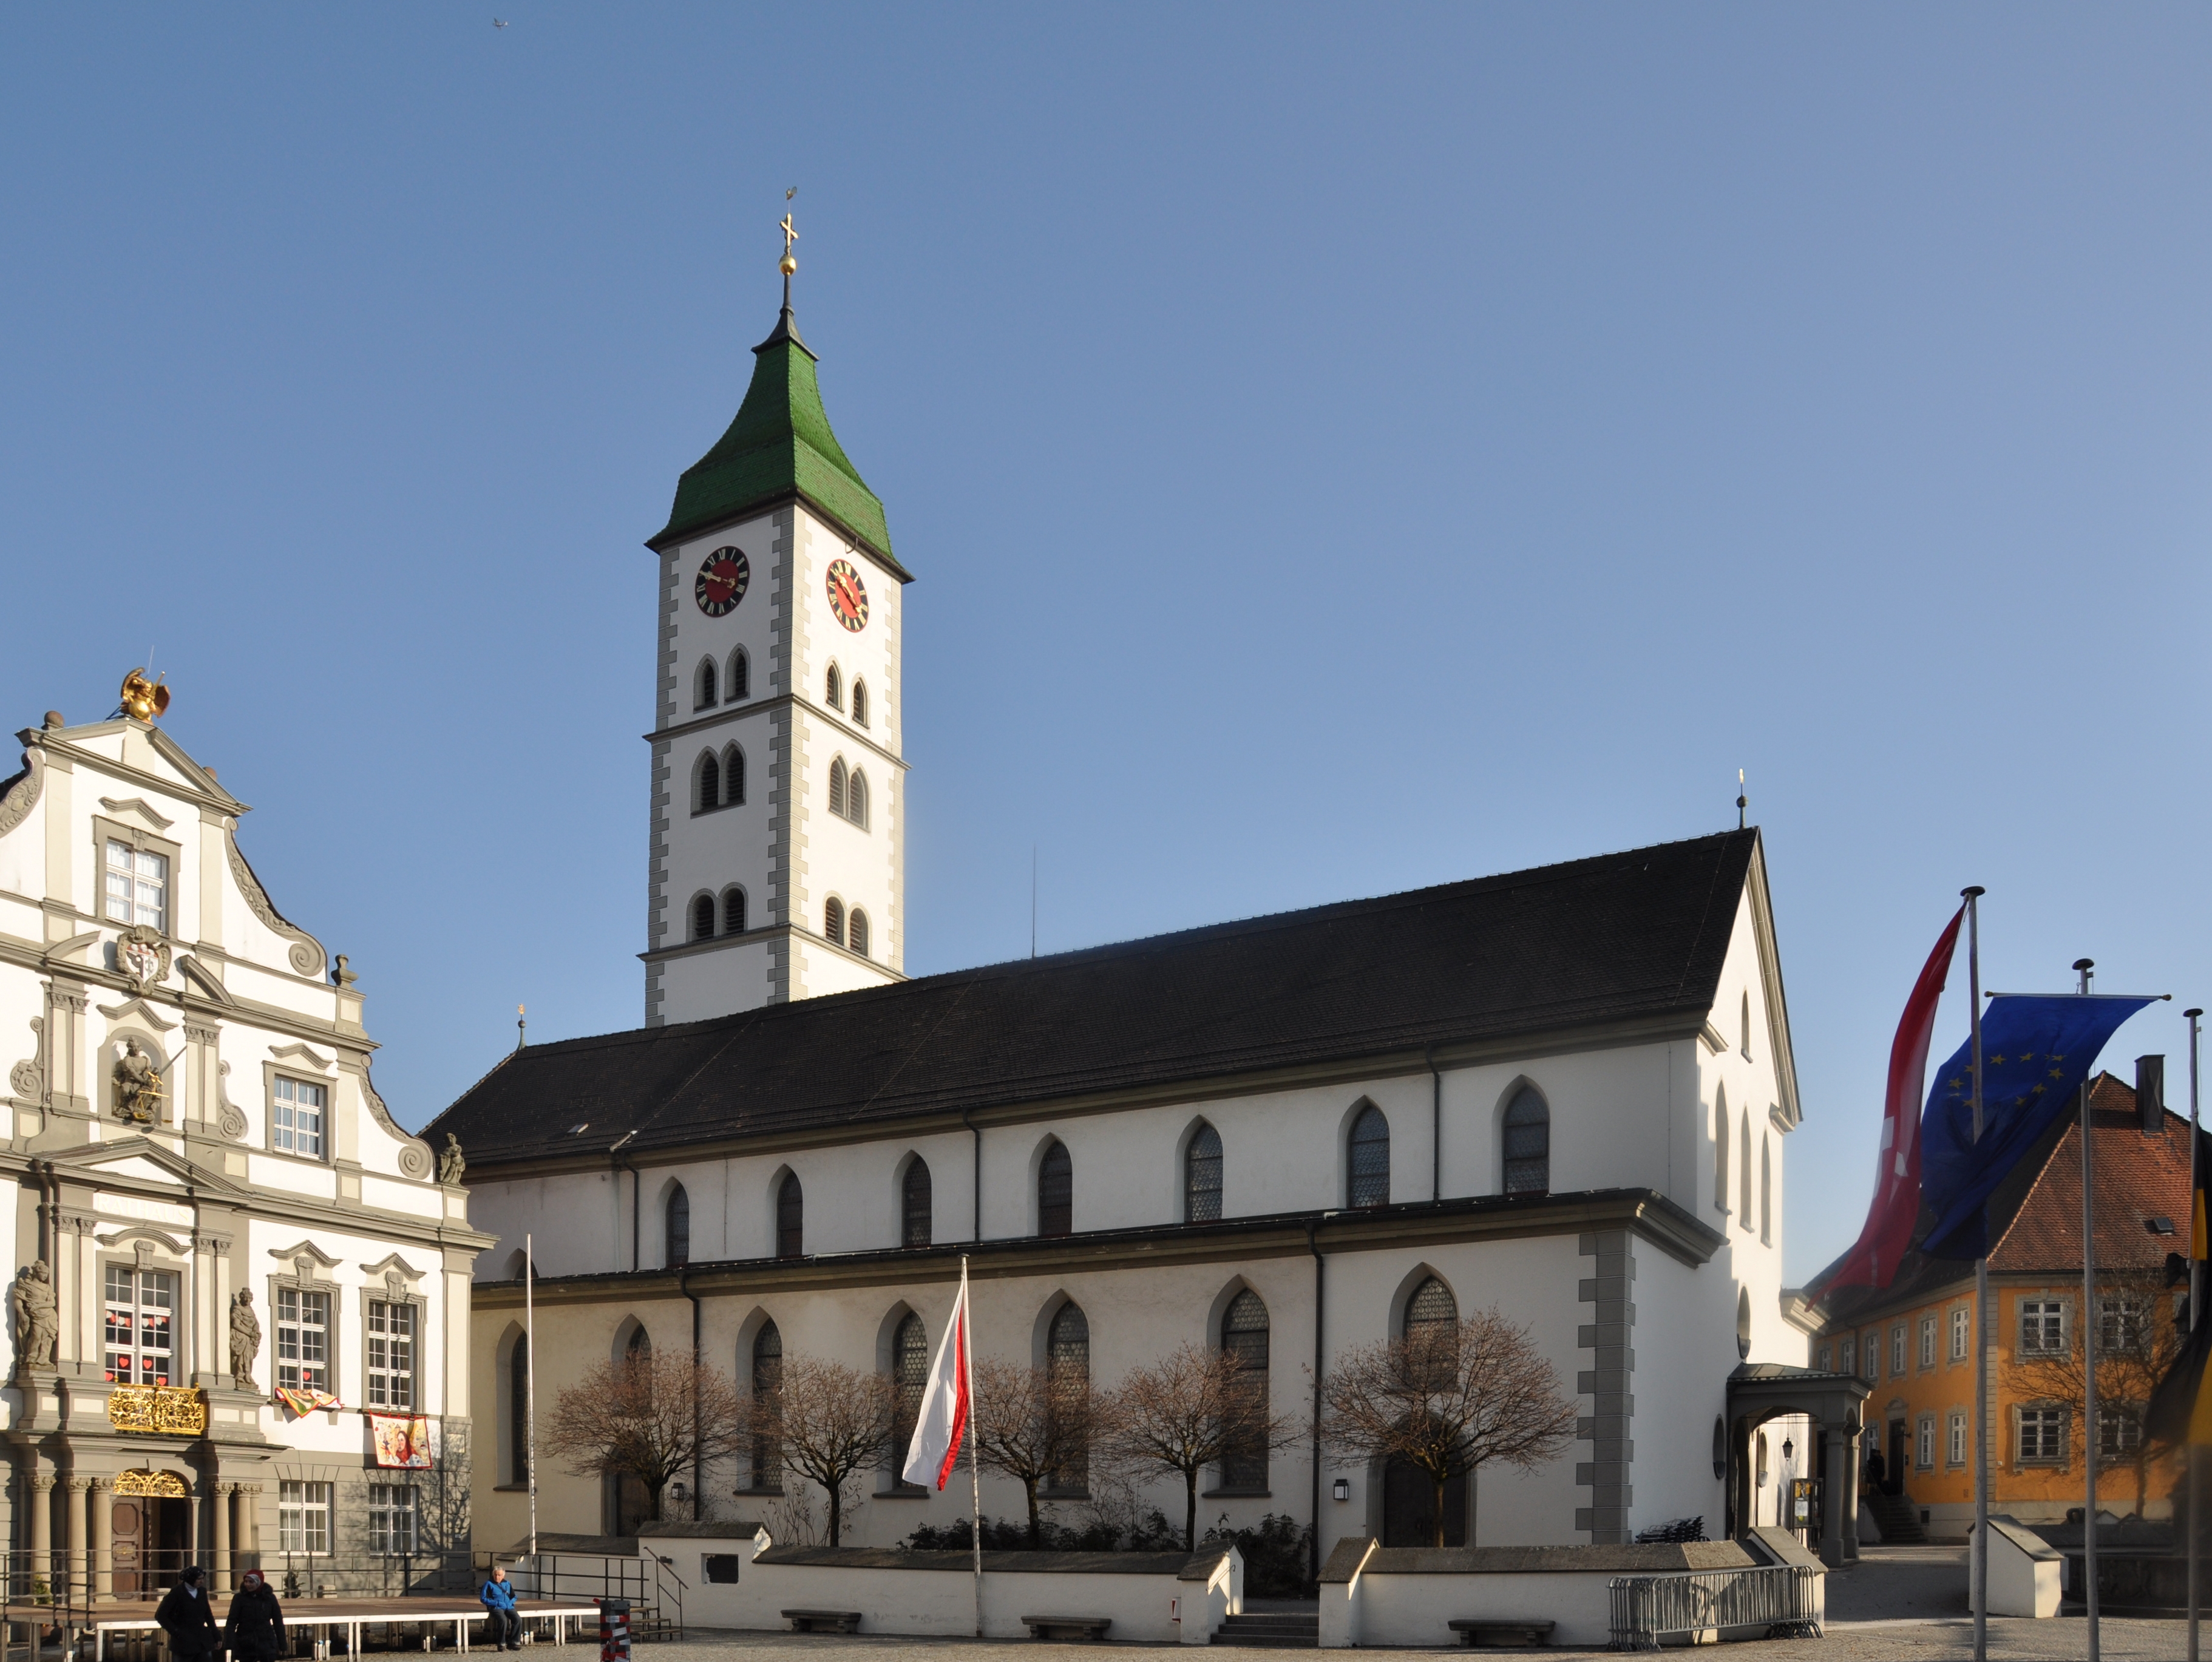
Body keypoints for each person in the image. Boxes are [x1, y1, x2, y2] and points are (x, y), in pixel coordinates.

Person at [156, 1567, 220, 1661]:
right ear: (191, 1579)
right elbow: (161, 1615)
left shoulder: (202, 1591)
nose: (202, 1582)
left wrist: (216, 1635)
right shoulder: (177, 1592)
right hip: (184, 1643)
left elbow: (208, 1614)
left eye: (203, 1579)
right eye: (199, 1579)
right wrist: (176, 1632)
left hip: (202, 1641)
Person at [223, 1569, 285, 1662]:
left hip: (266, 1643)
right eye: (246, 1581)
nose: (248, 1584)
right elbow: (232, 1621)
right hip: (246, 1644)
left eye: (251, 1582)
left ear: (259, 1582)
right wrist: (230, 1644)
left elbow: (278, 1622)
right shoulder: (239, 1598)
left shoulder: (269, 1598)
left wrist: (282, 1644)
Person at [480, 1564, 522, 1650]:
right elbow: (483, 1599)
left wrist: (510, 1603)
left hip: (508, 1606)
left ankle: (514, 1642)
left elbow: (514, 1596)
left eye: (499, 1575)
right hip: (496, 1607)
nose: (497, 1577)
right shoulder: (488, 1584)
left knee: (518, 1620)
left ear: (503, 1576)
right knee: (503, 1620)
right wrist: (497, 1603)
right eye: (495, 1575)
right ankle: (501, 1644)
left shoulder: (507, 1583)